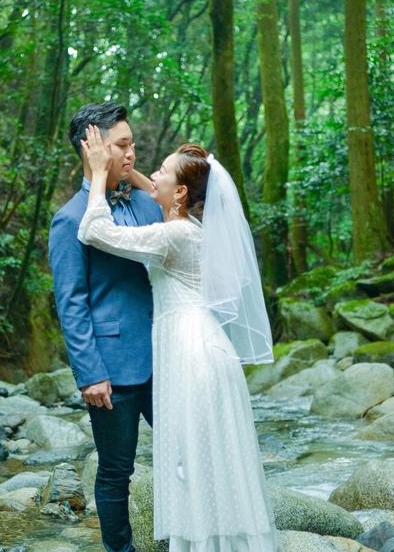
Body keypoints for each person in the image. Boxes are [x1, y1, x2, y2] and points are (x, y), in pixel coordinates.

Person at [77, 125, 280, 552]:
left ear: (182, 192)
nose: (152, 174)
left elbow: (95, 230)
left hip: (192, 356)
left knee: (194, 463)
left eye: (163, 171)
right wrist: (135, 177)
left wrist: (97, 173)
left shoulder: (173, 235)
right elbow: (157, 189)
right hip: (207, 348)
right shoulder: (191, 226)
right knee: (210, 462)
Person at [48, 103, 163, 552]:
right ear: (92, 149)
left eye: (133, 144)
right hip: (112, 369)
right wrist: (90, 373)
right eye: (122, 145)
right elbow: (71, 303)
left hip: (168, 355)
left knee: (188, 456)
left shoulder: (147, 203)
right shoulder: (70, 219)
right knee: (116, 472)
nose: (132, 153)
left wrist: (135, 177)